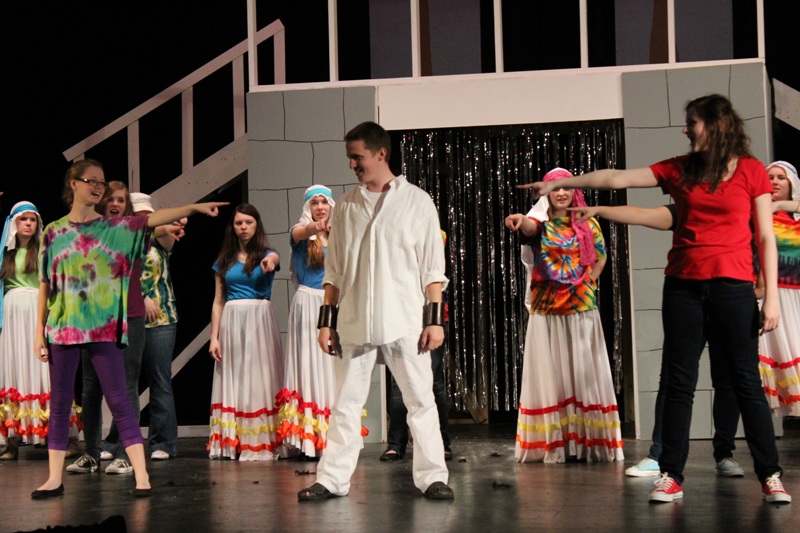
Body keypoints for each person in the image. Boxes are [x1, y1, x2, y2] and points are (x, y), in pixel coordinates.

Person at [523, 94, 790, 503]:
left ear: (714, 125)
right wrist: (563, 183)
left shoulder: (751, 171)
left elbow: (766, 238)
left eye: (692, 122)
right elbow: (617, 178)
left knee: (746, 382)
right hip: (683, 287)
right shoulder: (680, 168)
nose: (685, 129)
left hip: (734, 288)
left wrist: (771, 297)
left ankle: (770, 475)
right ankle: (671, 475)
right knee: (680, 382)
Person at [32, 159, 225, 499]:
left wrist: (193, 208)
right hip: (63, 328)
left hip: (103, 327)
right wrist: (39, 332)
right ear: (73, 184)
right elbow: (46, 284)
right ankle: (53, 478)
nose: (98, 187)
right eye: (91, 181)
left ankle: (142, 475)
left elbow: (153, 219)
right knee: (60, 404)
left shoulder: (114, 228)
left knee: (120, 399)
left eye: (102, 182)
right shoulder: (54, 232)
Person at [298, 121, 453, 501]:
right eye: (350, 158)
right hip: (354, 319)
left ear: (381, 153)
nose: (352, 164)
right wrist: (326, 322)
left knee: (420, 401)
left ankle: (433, 477)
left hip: (405, 317)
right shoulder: (347, 205)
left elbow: (433, 268)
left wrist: (434, 321)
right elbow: (334, 270)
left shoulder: (417, 201)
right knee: (345, 405)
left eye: (358, 157)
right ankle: (332, 479)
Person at [567, 203, 744, 477]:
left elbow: (760, 243)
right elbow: (643, 214)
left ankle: (724, 453)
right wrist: (600, 209)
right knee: (673, 380)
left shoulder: (739, 207)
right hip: (690, 299)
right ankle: (659, 455)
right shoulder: (688, 205)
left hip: (728, 297)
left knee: (727, 380)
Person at [505, 168, 623, 464]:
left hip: (581, 309)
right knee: (553, 375)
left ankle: (586, 441)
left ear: (574, 191)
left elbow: (601, 256)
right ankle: (555, 441)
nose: (561, 193)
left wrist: (590, 281)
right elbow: (529, 228)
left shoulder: (588, 222)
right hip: (547, 310)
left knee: (583, 372)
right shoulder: (540, 223)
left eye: (566, 188)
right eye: (555, 188)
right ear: (546, 193)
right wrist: (519, 219)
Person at [67, 181, 146, 476]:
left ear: (127, 206)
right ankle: (91, 453)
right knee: (90, 389)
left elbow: (160, 232)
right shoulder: (89, 233)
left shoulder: (133, 232)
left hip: (128, 317)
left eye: (121, 200)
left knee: (126, 386)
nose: (115, 204)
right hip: (94, 319)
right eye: (111, 199)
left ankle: (125, 454)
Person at [0, 202, 79, 460]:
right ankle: (12, 440)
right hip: (12, 317)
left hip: (37, 312)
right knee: (14, 370)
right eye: (23, 219)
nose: (28, 224)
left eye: (32, 220)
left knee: (44, 372)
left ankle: (65, 437)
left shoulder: (44, 250)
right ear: (14, 224)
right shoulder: (5, 253)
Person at [208, 203, 284, 461]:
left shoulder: (267, 254)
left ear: (256, 225)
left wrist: (269, 262)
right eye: (239, 223)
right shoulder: (224, 260)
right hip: (232, 321)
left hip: (258, 319)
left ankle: (260, 439)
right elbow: (218, 300)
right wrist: (214, 337)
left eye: (248, 222)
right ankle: (236, 440)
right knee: (237, 377)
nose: (243, 227)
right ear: (233, 227)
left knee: (259, 376)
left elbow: (274, 259)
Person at [380, 230, 452, 462]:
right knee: (398, 383)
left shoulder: (435, 234)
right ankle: (396, 443)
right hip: (400, 313)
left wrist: (435, 321)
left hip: (429, 313)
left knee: (434, 381)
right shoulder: (392, 234)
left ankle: (441, 443)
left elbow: (432, 274)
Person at [276, 185, 337, 460]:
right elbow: (300, 232)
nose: (320, 207)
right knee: (307, 364)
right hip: (307, 304)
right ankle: (306, 438)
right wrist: (316, 227)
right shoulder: (300, 233)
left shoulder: (337, 236)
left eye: (324, 202)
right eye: (315, 202)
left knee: (329, 368)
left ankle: (330, 437)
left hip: (330, 304)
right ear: (308, 207)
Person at [132, 192, 184, 460]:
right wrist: (141, 297)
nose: (144, 220)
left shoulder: (159, 238)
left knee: (160, 381)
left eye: (147, 215)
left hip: (161, 318)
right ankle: (118, 442)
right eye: (138, 215)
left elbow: (164, 230)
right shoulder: (120, 242)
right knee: (125, 383)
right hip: (129, 318)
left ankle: (162, 442)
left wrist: (175, 222)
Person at [756, 161, 800, 416]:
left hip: (796, 297)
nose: (774, 182)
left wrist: (780, 206)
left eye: (780, 178)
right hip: (769, 295)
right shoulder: (756, 215)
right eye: (770, 177)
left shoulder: (795, 217)